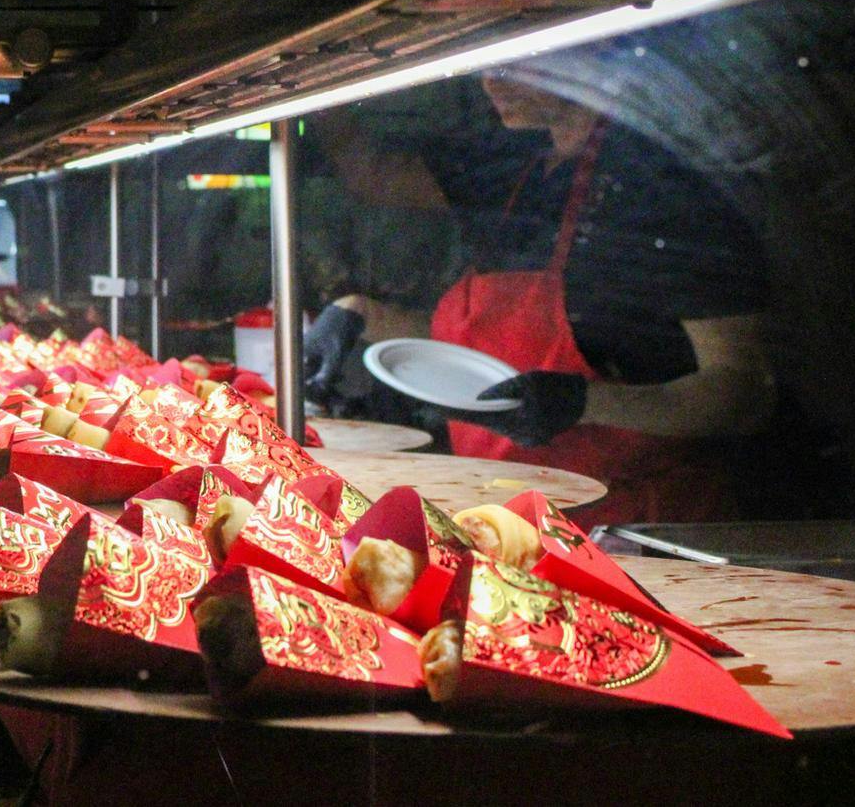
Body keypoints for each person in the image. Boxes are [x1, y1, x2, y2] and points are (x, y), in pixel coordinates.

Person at [306, 65, 774, 527]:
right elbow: (496, 347)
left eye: (515, 63)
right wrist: (360, 313)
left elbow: (743, 392)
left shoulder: (663, 191)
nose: (492, 81)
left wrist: (584, 404)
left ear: (586, 54)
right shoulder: (519, 172)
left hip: (639, 531)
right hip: (515, 522)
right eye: (486, 64)